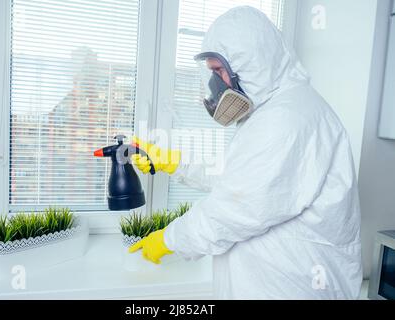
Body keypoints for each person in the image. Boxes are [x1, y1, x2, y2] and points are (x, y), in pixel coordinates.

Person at [129, 6, 362, 300]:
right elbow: (240, 177)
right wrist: (175, 163)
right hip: (275, 279)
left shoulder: (288, 118)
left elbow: (237, 208)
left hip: (294, 286)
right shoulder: (272, 111)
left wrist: (169, 239)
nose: (214, 83)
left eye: (217, 70)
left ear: (251, 62)